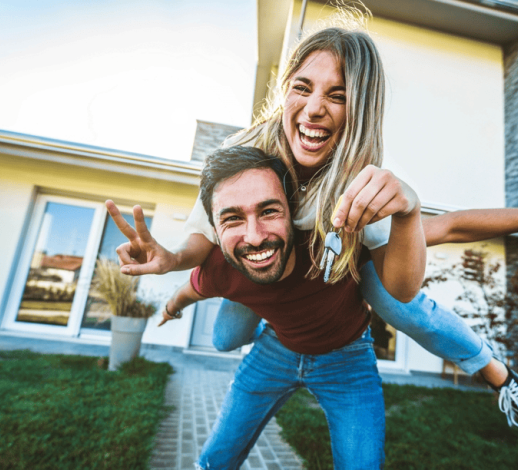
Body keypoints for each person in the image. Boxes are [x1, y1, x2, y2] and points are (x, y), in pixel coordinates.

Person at [106, 20, 518, 437]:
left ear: (360, 108)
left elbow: (447, 227)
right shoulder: (241, 158)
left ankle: (499, 375)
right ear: (285, 91)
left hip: (342, 300)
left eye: (338, 95)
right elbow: (202, 244)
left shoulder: (358, 184)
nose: (314, 108)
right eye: (302, 87)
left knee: (394, 296)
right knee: (227, 333)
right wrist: (171, 263)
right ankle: (281, 314)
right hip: (264, 290)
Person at [151, 145, 424, 468]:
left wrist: (411, 209)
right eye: (233, 218)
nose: (254, 237)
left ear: (293, 213)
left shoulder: (338, 238)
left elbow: (447, 228)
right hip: (275, 351)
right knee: (215, 458)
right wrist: (170, 308)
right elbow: (189, 291)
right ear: (213, 229)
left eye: (268, 211)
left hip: (347, 358)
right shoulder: (222, 266)